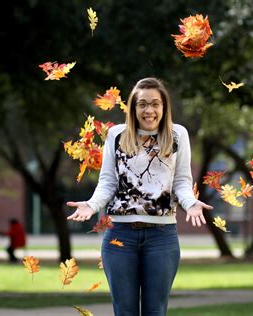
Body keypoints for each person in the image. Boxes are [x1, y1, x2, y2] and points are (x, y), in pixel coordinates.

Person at [67, 77, 213, 316]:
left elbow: (181, 182)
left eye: (155, 104)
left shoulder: (178, 135)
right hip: (120, 236)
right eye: (142, 104)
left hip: (162, 238)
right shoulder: (116, 135)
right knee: (124, 311)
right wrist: (91, 205)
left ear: (164, 107)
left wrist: (191, 203)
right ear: (133, 108)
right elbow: (108, 182)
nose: (149, 110)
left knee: (155, 311)